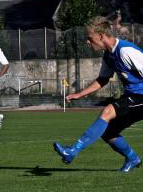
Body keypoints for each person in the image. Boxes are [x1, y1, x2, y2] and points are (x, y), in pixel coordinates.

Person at [53, 16, 143, 172]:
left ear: (100, 36)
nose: (88, 42)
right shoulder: (109, 55)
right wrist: (79, 94)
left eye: (90, 38)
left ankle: (72, 151)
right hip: (132, 98)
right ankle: (133, 158)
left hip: (141, 97)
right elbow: (102, 79)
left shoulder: (126, 51)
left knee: (107, 111)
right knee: (109, 133)